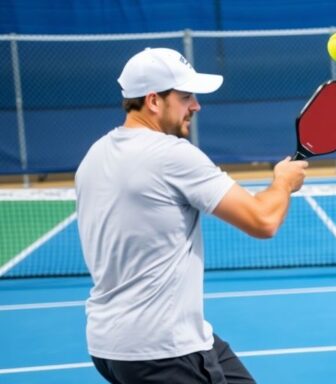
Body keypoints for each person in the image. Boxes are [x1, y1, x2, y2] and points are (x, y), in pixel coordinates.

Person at [75, 47, 308, 383]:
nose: (196, 106)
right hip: (164, 351)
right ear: (154, 101)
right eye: (185, 97)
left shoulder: (94, 156)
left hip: (110, 344)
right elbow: (263, 220)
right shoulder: (172, 155)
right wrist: (283, 182)